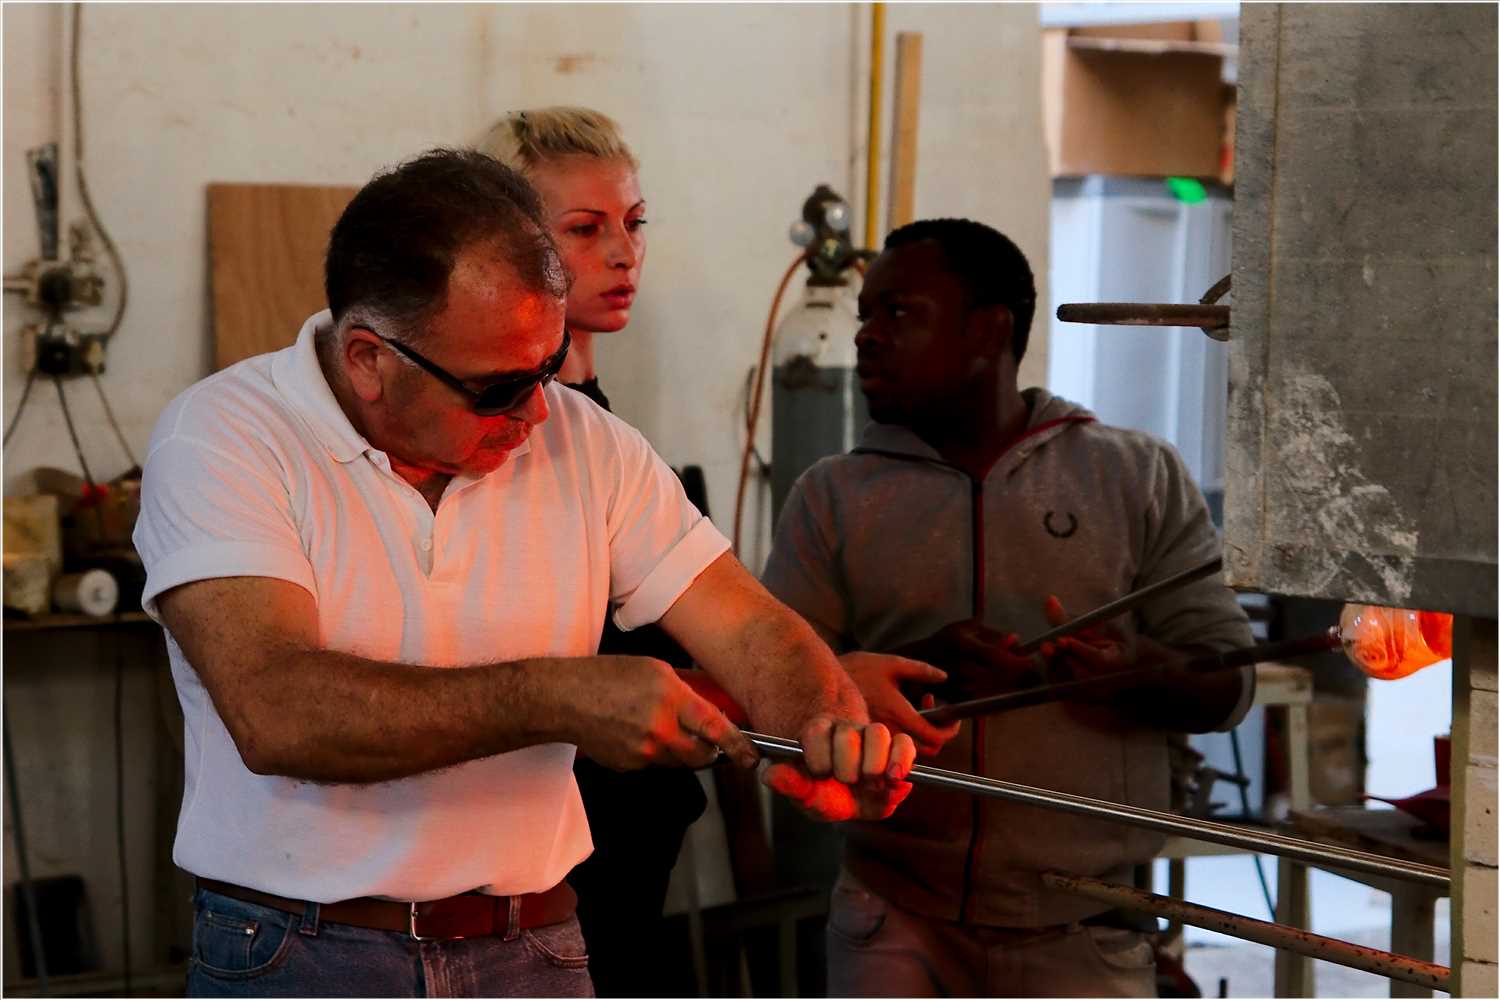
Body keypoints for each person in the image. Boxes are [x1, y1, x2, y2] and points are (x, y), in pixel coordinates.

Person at [133, 148, 917, 999]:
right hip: (305, 955)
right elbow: (277, 711)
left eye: (548, 366)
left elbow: (750, 626)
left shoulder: (590, 444)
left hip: (531, 950)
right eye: (498, 388)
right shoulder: (226, 437)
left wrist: (823, 722)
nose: (538, 412)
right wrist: (559, 697)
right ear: (368, 360)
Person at [762, 218, 1255, 998]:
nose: (866, 337)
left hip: (1086, 925)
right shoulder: (833, 496)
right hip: (894, 920)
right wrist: (923, 666)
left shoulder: (1135, 476)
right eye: (866, 315)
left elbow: (1230, 685)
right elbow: (772, 695)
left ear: (989, 331)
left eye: (898, 313)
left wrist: (1135, 672)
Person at [475, 106, 707, 996]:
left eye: (634, 224)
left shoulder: (610, 442)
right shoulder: (492, 440)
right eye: (585, 229)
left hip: (635, 824)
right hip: (539, 836)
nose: (623, 253)